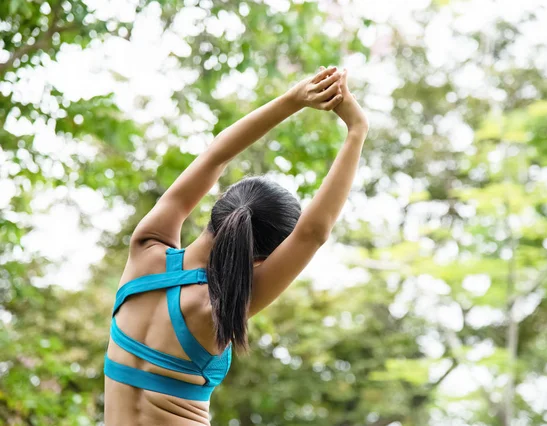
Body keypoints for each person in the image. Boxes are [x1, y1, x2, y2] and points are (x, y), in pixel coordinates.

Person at [103, 65, 369, 426]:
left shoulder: (145, 248)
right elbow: (314, 233)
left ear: (219, 207)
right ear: (262, 259)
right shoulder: (221, 307)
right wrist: (357, 130)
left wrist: (294, 100)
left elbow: (216, 156)